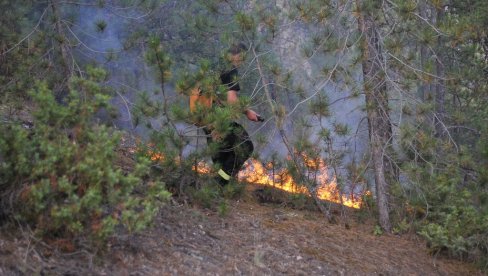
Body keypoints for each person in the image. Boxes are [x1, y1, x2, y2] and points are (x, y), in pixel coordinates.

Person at [204, 43, 262, 185]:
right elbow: (231, 99)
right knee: (245, 146)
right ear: (238, 55)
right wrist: (248, 112)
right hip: (219, 121)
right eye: (242, 57)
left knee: (222, 156)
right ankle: (219, 185)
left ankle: (218, 186)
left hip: (205, 118)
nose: (243, 61)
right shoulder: (230, 70)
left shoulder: (215, 66)